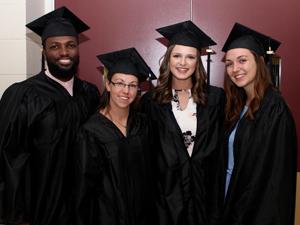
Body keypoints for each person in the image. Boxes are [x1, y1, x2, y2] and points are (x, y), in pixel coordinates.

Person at [0, 6, 100, 225]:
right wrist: (16, 216)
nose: (64, 53)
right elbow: (10, 159)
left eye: (70, 45)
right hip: (41, 207)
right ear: (43, 51)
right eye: (55, 46)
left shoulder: (90, 93)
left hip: (85, 208)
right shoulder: (23, 95)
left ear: (78, 49)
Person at [140, 20, 225, 225]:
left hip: (204, 196)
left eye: (190, 57)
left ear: (198, 61)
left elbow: (220, 152)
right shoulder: (151, 102)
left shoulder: (215, 99)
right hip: (166, 199)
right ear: (168, 59)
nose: (183, 63)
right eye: (177, 56)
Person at [221, 22, 297, 225]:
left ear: (259, 61)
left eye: (242, 60)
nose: (235, 69)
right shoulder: (237, 106)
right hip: (231, 201)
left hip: (255, 212)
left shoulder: (274, 108)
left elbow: (274, 179)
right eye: (229, 63)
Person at [72, 47, 157, 225]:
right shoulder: (91, 131)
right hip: (106, 217)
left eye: (132, 85)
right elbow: (83, 189)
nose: (126, 91)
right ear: (108, 85)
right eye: (119, 83)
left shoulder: (143, 124)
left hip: (143, 216)